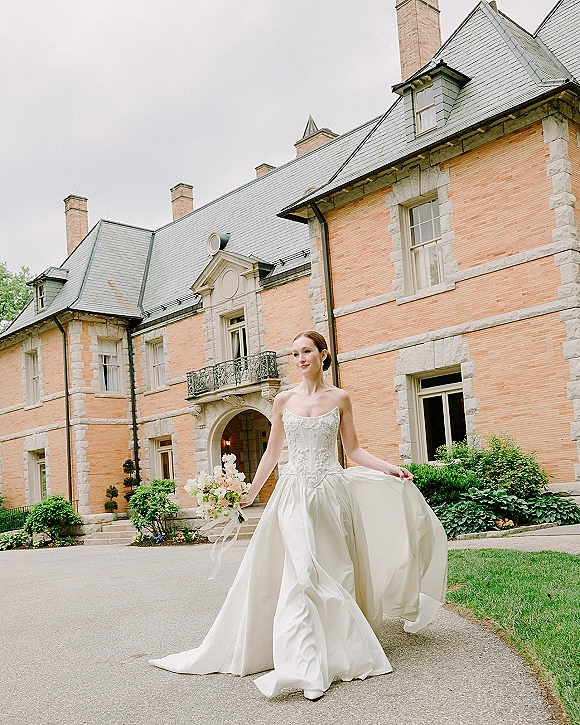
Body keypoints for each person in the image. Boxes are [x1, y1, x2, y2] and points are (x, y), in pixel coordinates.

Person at [150, 331, 447, 700]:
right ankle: (304, 665)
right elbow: (272, 454)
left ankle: (335, 651)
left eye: (306, 351)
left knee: (337, 571)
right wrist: (250, 493)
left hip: (332, 495)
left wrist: (390, 467)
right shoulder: (282, 399)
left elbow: (352, 449)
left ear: (323, 354)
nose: (300, 358)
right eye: (294, 353)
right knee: (302, 574)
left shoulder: (340, 397)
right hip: (293, 496)